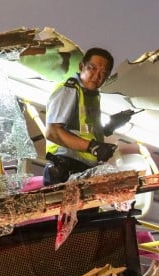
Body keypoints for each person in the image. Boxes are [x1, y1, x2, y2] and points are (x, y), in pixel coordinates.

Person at [43, 47, 128, 185]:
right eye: (92, 68)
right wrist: (93, 147)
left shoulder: (92, 96)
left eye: (103, 73)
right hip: (64, 168)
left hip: (83, 170)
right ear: (81, 66)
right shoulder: (69, 89)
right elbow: (53, 132)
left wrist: (110, 126)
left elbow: (85, 130)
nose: (96, 76)